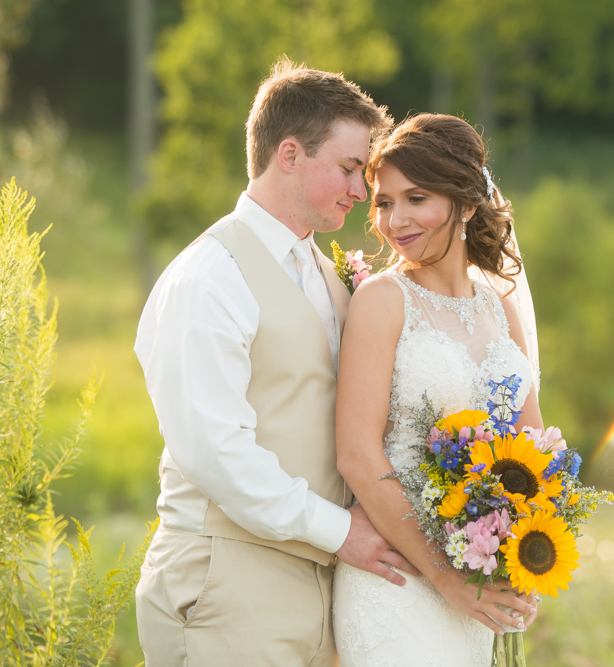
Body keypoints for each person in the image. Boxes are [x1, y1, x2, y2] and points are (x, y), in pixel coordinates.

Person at [133, 58, 420, 667]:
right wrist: (343, 532)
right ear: (288, 155)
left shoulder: (325, 274)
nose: (360, 192)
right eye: (348, 169)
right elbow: (216, 454)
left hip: (322, 594)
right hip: (226, 587)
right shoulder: (209, 279)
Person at [332, 114, 543, 666]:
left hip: (479, 583)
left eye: (415, 198)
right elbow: (357, 455)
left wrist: (524, 553)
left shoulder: (500, 310)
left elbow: (533, 445)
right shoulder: (382, 300)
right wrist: (446, 576)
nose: (394, 220)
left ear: (467, 203)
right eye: (383, 202)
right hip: (399, 582)